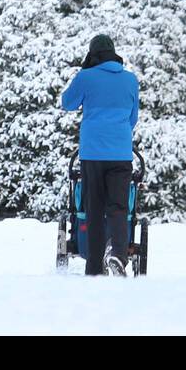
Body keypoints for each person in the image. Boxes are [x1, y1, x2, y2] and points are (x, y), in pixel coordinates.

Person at [61, 34, 140, 276]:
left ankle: (94, 268)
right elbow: (132, 118)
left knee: (93, 208)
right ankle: (117, 252)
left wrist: (85, 73)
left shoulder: (87, 76)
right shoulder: (130, 80)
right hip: (121, 152)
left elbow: (67, 103)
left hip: (93, 152)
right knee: (118, 207)